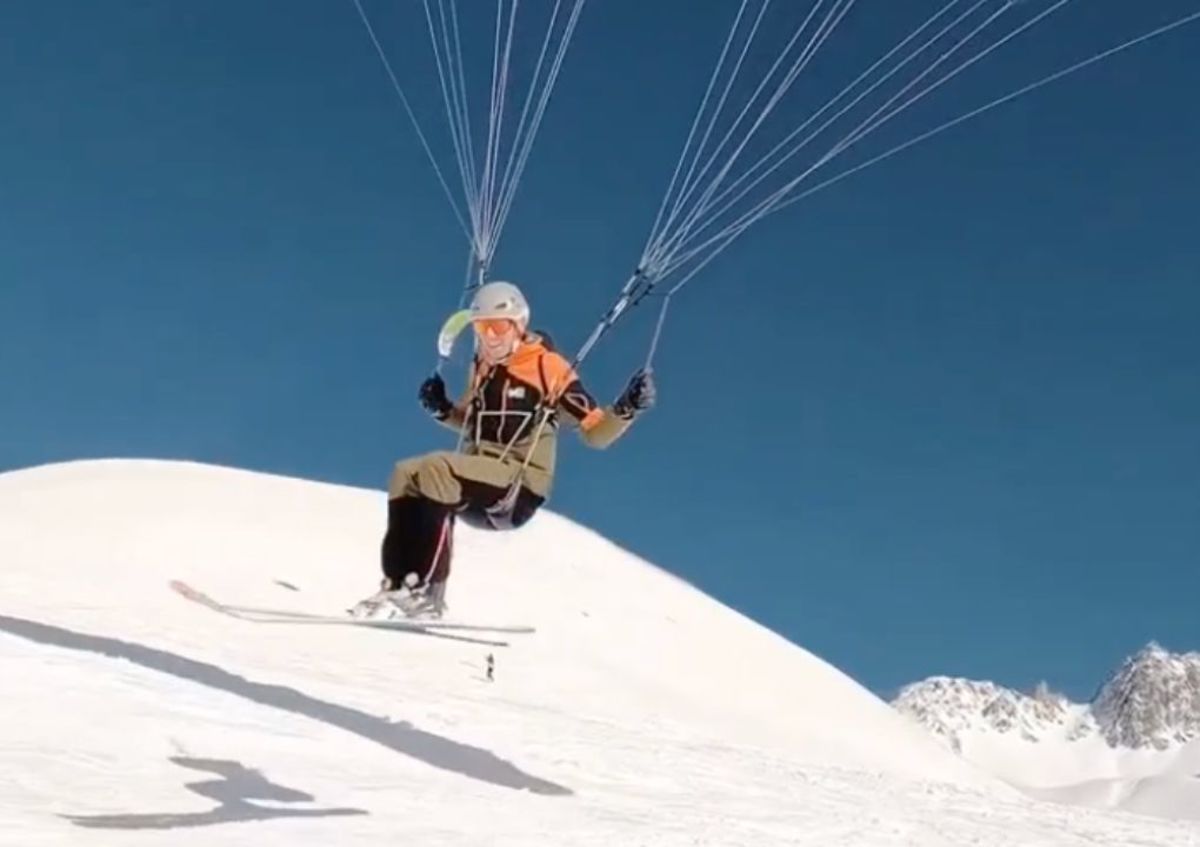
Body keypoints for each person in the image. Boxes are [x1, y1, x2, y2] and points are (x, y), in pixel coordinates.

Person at [351, 280, 655, 619]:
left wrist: (627, 408)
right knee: (405, 473)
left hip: (517, 487)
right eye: (482, 328)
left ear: (519, 326)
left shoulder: (548, 368)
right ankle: (398, 583)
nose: (490, 336)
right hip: (477, 481)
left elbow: (596, 434)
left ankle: (426, 593)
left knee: (437, 467)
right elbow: (475, 425)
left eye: (498, 327)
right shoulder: (483, 366)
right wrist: (442, 409)